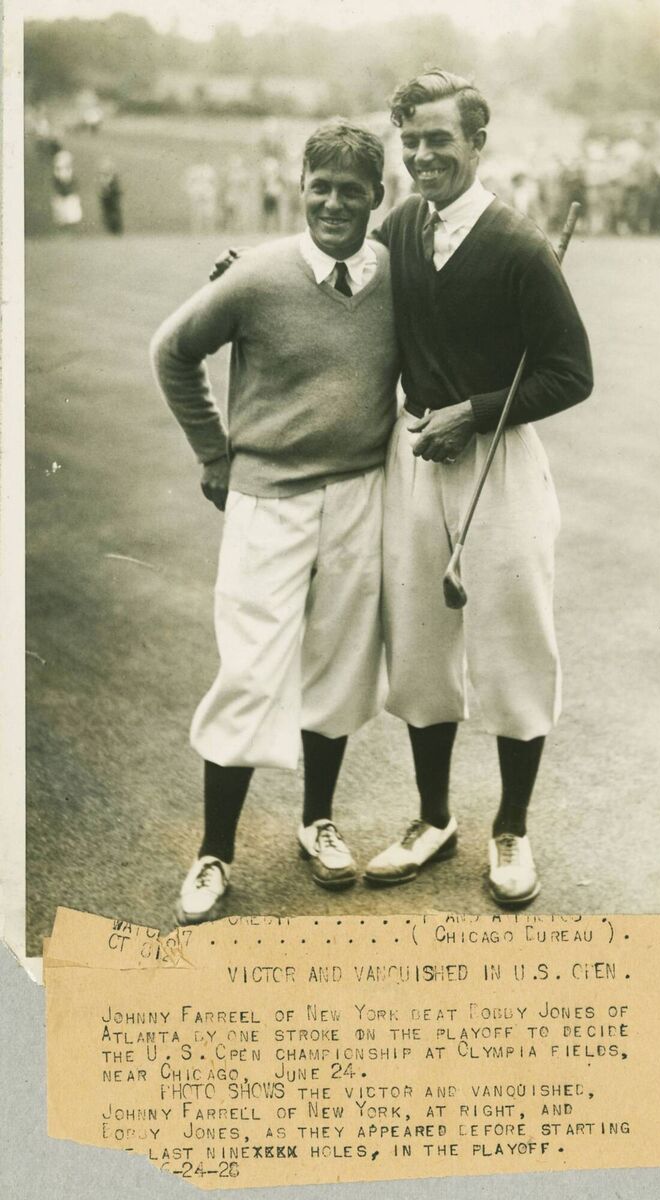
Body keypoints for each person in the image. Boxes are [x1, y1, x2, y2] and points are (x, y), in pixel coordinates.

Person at [150, 120, 399, 923]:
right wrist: (213, 453)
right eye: (319, 187)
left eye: (351, 190)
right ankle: (213, 852)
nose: (333, 202)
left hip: (360, 493)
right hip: (267, 497)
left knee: (337, 665)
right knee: (253, 670)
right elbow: (172, 351)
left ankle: (316, 822)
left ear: (376, 199)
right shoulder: (256, 274)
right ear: (300, 188)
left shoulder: (396, 275)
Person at [361, 69, 593, 904]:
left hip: (500, 463)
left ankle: (512, 830)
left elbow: (572, 374)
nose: (423, 156)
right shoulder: (398, 226)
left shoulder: (521, 247)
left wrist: (477, 410)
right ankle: (433, 818)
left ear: (476, 144)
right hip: (416, 457)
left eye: (439, 141)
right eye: (411, 141)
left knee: (515, 649)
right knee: (422, 646)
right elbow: (343, 278)